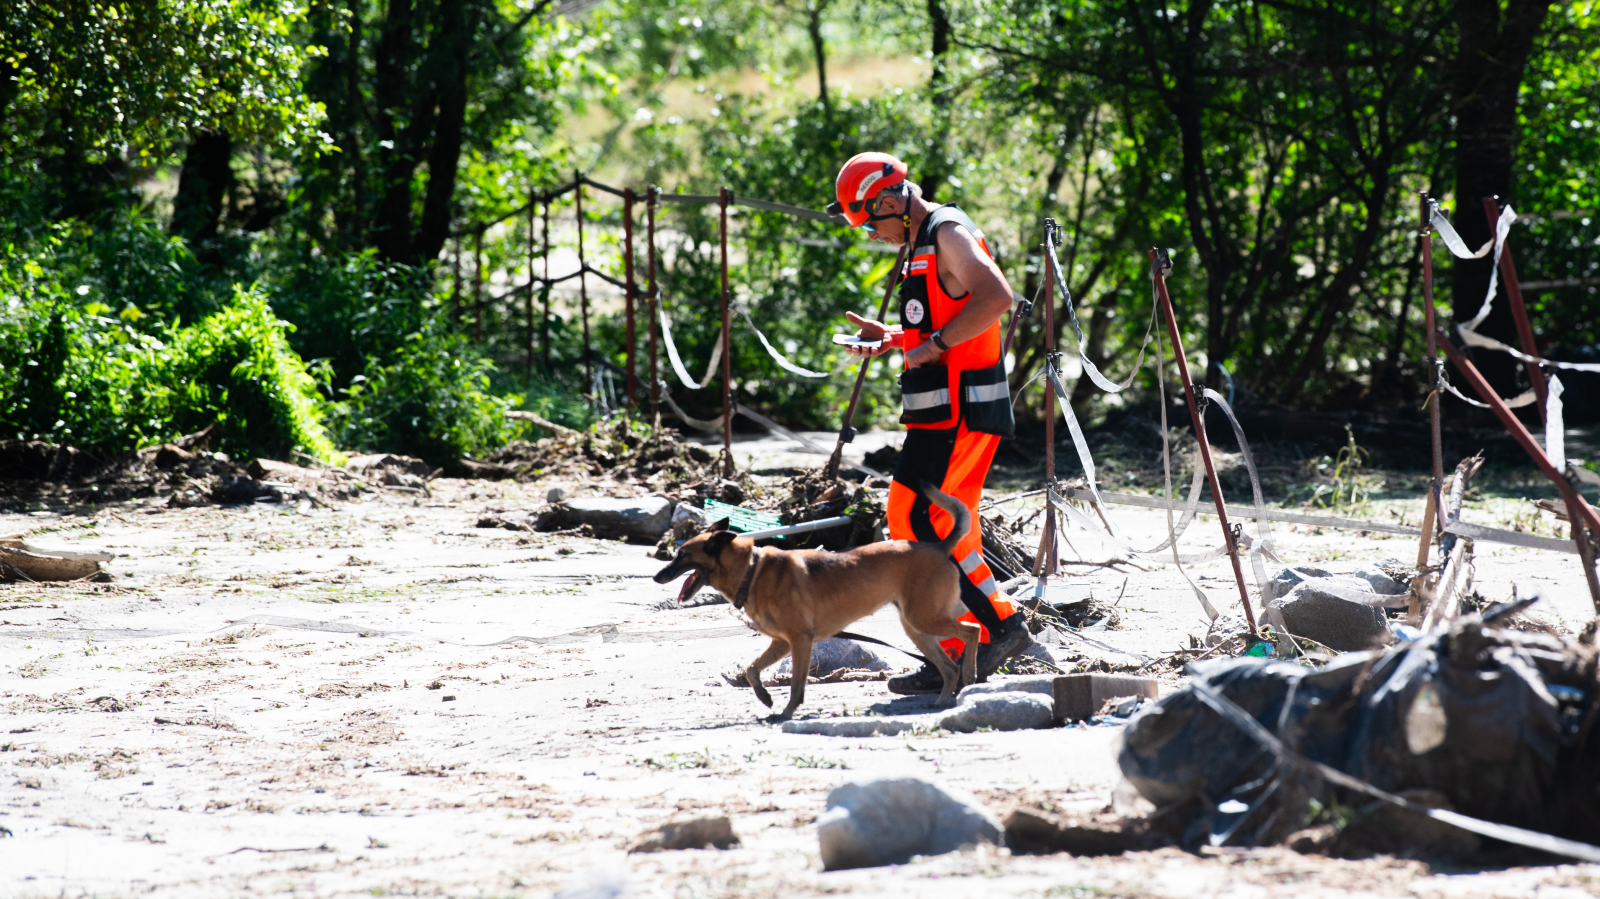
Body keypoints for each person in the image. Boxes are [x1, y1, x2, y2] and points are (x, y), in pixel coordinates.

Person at [825, 151, 1031, 694]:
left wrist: (934, 344)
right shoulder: (920, 240)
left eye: (871, 220)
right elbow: (948, 313)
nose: (870, 233)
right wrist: (896, 339)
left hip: (959, 410)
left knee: (917, 520)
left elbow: (996, 297)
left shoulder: (947, 230)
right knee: (935, 525)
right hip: (938, 411)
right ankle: (977, 637)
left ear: (891, 200)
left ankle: (997, 630)